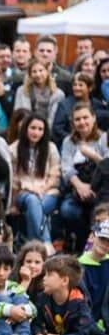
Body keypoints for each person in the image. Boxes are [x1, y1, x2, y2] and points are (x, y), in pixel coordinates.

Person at [33, 255, 97, 335]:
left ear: (64, 281)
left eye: (49, 275)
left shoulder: (79, 303)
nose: (44, 278)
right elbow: (36, 322)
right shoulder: (43, 297)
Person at [60, 104, 108, 252]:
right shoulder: (69, 141)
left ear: (93, 118)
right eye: (77, 119)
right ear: (73, 122)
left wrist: (93, 156)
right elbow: (66, 168)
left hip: (100, 189)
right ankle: (81, 245)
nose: (82, 122)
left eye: (85, 117)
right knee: (68, 210)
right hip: (77, 188)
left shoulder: (104, 138)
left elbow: (107, 167)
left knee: (99, 213)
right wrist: (79, 186)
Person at [9, 113, 60, 249]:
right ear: (25, 128)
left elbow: (55, 175)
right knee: (33, 201)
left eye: (40, 129)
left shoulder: (51, 148)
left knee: (35, 208)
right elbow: (14, 179)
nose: (36, 132)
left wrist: (42, 189)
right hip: (23, 193)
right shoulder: (14, 149)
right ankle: (46, 243)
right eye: (33, 128)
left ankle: (33, 248)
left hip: (48, 192)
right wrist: (14, 203)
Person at [53, 73, 107, 149]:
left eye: (80, 85)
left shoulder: (98, 105)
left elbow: (104, 127)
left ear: (90, 87)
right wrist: (74, 139)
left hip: (96, 144)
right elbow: (58, 129)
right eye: (74, 85)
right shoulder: (64, 104)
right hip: (72, 144)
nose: (77, 88)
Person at [78, 220, 109, 331]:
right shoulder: (78, 266)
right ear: (93, 236)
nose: (105, 245)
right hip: (86, 326)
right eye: (102, 239)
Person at [14, 60, 66, 126]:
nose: (38, 75)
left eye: (41, 70)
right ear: (30, 74)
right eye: (34, 72)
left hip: (48, 129)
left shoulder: (58, 94)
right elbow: (18, 114)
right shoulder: (22, 90)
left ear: (47, 71)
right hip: (26, 127)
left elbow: (54, 119)